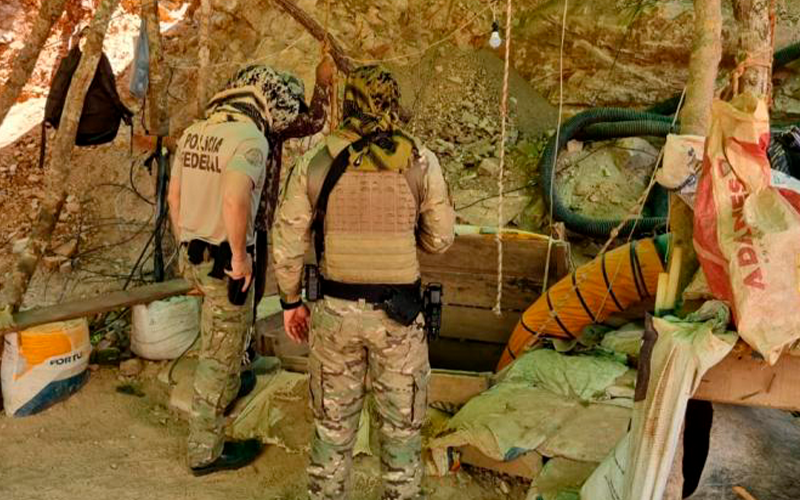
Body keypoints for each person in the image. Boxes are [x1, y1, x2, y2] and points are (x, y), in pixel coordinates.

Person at [272, 65, 455, 500]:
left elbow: (288, 239)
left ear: (348, 102)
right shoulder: (420, 160)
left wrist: (290, 301)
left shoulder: (317, 160)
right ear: (394, 103)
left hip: (335, 314)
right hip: (399, 318)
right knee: (402, 429)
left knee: (332, 426)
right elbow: (440, 240)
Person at [168, 65, 308, 476]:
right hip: (224, 262)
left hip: (194, 254)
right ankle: (204, 451)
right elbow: (235, 200)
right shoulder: (249, 138)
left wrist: (184, 247)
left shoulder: (195, 132)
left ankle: (230, 383)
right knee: (217, 353)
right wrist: (240, 258)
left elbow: (174, 197)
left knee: (219, 338)